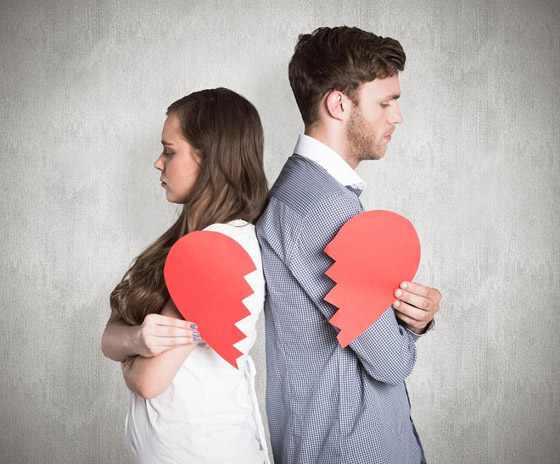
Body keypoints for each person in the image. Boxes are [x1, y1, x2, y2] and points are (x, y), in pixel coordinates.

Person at [256, 26, 443, 464]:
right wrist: (410, 329)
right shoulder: (324, 210)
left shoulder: (305, 194)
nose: (397, 117)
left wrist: (412, 318)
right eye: (385, 103)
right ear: (338, 104)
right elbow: (391, 362)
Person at [101, 88, 270, 464]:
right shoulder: (188, 241)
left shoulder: (217, 252)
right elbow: (108, 339)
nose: (157, 163)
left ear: (208, 158)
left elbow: (147, 380)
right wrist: (136, 340)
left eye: (169, 151)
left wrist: (130, 354)